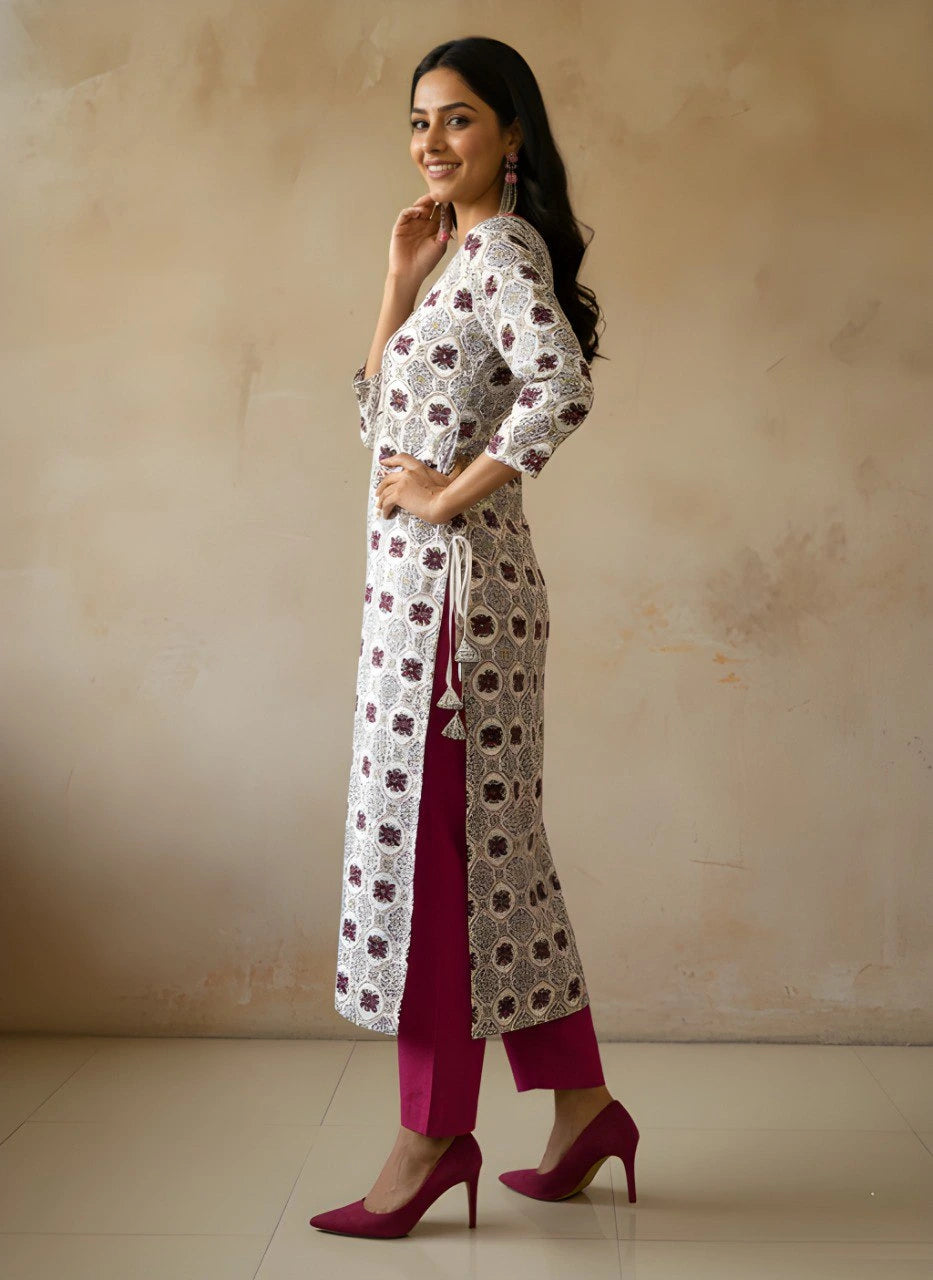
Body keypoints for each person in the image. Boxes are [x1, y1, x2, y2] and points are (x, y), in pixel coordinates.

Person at [311, 36, 639, 1239]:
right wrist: (396, 288)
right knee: (483, 853)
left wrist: (449, 494)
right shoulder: (454, 254)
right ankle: (586, 1103)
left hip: (457, 606)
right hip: (417, 604)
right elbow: (378, 420)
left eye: (457, 120)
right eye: (417, 123)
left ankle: (433, 1130)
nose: (433, 143)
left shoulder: (502, 249)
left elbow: (560, 387)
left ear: (510, 133)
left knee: (435, 867)